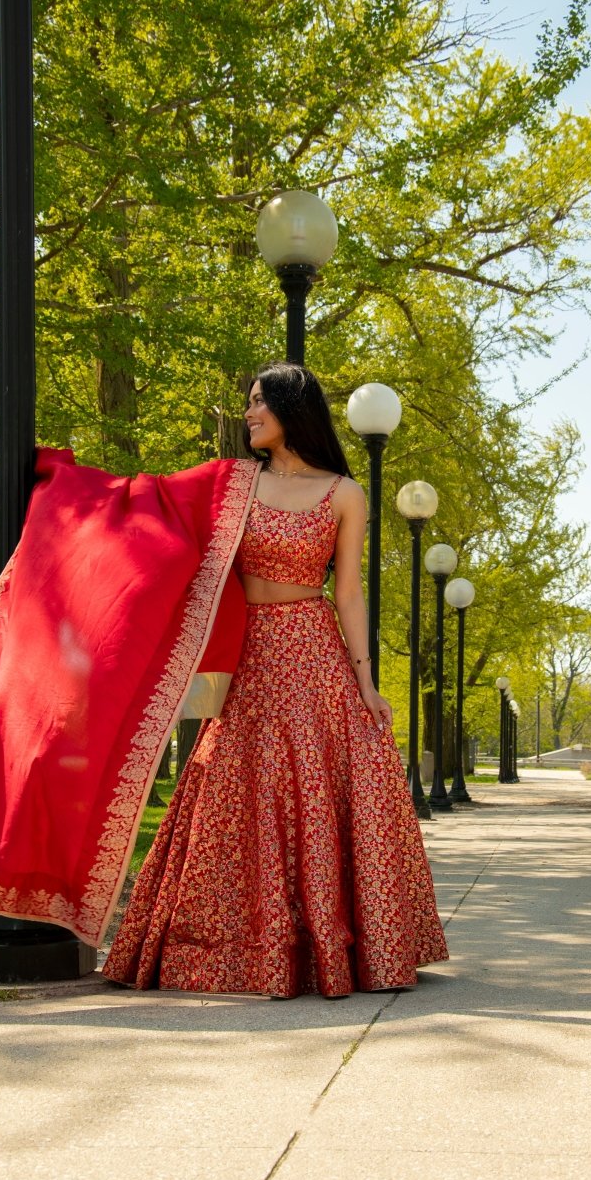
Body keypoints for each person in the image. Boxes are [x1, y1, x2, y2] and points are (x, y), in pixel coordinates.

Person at [103, 362, 448, 998]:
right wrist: (83, 496)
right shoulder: (235, 484)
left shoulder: (343, 493)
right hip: (246, 656)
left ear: (292, 409)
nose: (249, 412)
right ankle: (229, 949)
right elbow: (159, 510)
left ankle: (326, 950)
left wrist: (366, 682)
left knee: (312, 787)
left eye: (260, 401)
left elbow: (348, 594)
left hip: (313, 654)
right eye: (250, 402)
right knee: (230, 791)